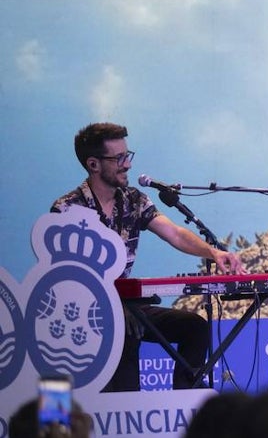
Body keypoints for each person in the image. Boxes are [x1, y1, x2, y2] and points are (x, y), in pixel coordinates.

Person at [50, 122, 243, 391]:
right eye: (118, 158)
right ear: (93, 164)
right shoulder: (67, 209)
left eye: (127, 156)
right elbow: (64, 280)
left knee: (195, 328)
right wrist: (111, 308)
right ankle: (125, 415)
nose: (127, 165)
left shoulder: (133, 199)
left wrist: (212, 252)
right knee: (126, 329)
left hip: (129, 307)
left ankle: (182, 407)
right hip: (84, 313)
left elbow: (174, 233)